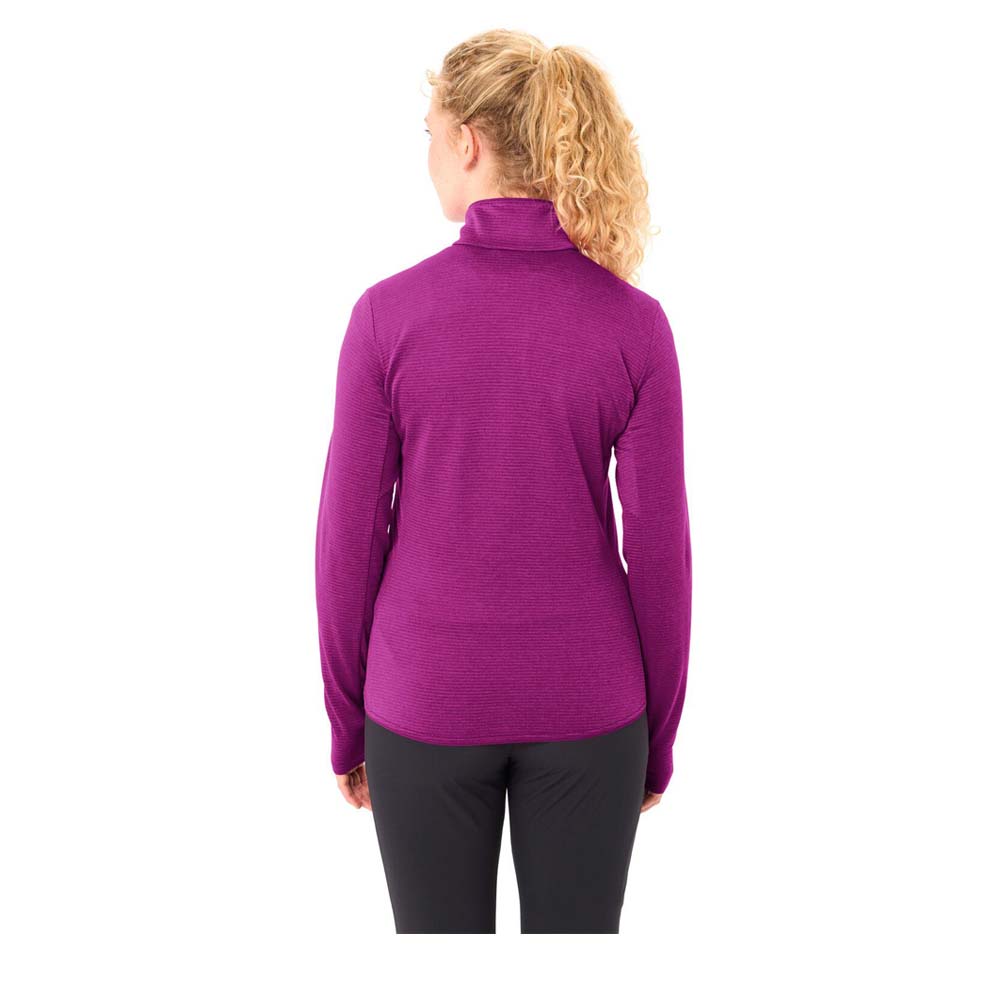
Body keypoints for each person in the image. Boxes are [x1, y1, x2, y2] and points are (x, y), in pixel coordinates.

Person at [315, 29, 692, 934]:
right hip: (593, 710)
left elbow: (347, 544)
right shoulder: (634, 326)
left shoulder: (386, 318)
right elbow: (662, 557)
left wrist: (347, 721)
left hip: (423, 703)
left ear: (469, 142)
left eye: (430, 132)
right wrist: (657, 740)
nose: (428, 154)